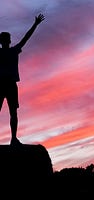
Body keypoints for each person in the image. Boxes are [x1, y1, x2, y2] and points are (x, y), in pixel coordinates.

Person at [0, 13, 45, 146]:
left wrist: (35, 25)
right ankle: (14, 139)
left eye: (6, 38)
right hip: (3, 85)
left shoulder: (14, 51)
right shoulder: (10, 51)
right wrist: (35, 25)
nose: (6, 40)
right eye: (4, 38)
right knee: (12, 113)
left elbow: (26, 38)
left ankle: (14, 139)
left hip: (10, 85)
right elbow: (25, 38)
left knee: (13, 113)